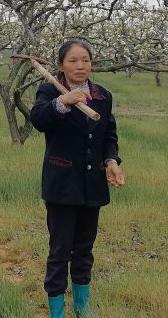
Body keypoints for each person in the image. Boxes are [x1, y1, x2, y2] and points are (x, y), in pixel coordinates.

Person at [29, 39, 125, 318]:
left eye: (85, 60)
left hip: (91, 185)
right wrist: (62, 102)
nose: (80, 66)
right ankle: (57, 311)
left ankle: (82, 306)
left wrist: (112, 161)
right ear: (61, 65)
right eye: (72, 60)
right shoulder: (49, 90)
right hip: (62, 184)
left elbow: (108, 134)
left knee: (84, 248)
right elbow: (38, 119)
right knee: (60, 250)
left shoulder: (102, 96)